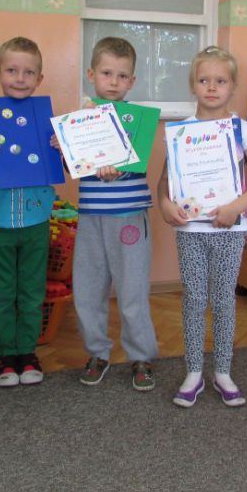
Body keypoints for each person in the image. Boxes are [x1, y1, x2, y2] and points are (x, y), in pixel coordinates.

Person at [158, 46, 247, 408]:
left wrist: (236, 208)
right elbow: (165, 183)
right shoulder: (180, 132)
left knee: (223, 301)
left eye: (220, 81)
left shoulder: (243, 130)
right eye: (204, 80)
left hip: (228, 231)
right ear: (193, 84)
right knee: (193, 300)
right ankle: (194, 372)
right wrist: (164, 205)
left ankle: (223, 371)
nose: (211, 87)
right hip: (191, 231)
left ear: (232, 86)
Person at [0, 37, 55, 387]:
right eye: (12, 71)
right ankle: (5, 356)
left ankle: (27, 352)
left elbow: (62, 166)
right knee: (2, 292)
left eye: (28, 72)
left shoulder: (47, 120)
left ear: (39, 78)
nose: (20, 78)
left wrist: (60, 147)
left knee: (32, 292)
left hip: (36, 221)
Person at [72, 37, 159, 390]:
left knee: (132, 290)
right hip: (91, 216)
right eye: (106, 73)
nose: (113, 82)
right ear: (91, 74)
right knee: (88, 290)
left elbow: (138, 163)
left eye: (122, 76)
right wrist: (62, 145)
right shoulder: (80, 118)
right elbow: (71, 165)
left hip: (129, 217)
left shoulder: (138, 120)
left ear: (131, 81)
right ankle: (97, 353)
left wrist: (119, 170)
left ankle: (141, 357)